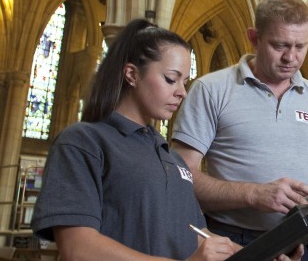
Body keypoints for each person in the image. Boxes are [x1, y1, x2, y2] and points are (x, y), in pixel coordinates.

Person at [30, 19, 242, 260]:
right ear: (132, 74)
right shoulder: (83, 142)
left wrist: (266, 253)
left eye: (185, 81)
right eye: (171, 79)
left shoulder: (172, 158)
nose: (182, 92)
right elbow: (78, 248)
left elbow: (197, 234)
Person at [172, 0, 308, 261]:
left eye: (301, 46)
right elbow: (180, 176)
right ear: (254, 38)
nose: (291, 57)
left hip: (302, 240)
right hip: (232, 239)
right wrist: (254, 194)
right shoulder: (212, 89)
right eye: (280, 45)